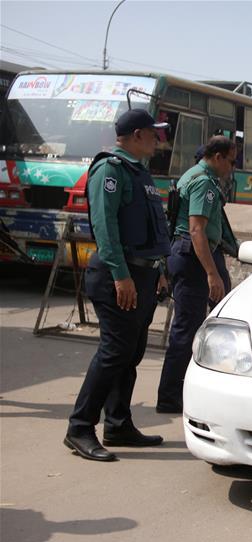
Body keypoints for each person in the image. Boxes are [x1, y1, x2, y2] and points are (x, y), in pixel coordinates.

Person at [64, 109, 171, 461]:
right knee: (114, 351)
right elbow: (105, 226)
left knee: (131, 353)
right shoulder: (109, 169)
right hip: (117, 275)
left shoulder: (139, 172)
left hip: (143, 274)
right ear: (138, 134)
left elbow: (153, 229)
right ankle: (80, 428)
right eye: (154, 133)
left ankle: (118, 424)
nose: (158, 140)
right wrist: (121, 275)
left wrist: (160, 270)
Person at [156, 136, 238, 413]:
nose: (232, 169)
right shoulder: (203, 182)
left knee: (206, 323)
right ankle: (170, 397)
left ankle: (186, 390)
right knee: (186, 329)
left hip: (192, 256)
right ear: (218, 157)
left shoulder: (195, 175)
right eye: (231, 162)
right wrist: (212, 273)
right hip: (193, 259)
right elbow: (196, 230)